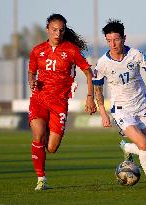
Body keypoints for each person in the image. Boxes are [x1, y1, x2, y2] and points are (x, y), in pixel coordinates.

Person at [92, 19, 146, 192]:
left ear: (124, 38)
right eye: (109, 40)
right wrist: (103, 113)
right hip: (122, 110)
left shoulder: (136, 55)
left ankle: (127, 147)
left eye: (116, 39)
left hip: (142, 107)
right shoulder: (102, 63)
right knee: (143, 144)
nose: (113, 44)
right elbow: (98, 90)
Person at [28, 13, 97, 191]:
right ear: (47, 30)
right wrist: (31, 81)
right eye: (54, 30)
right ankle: (41, 179)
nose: (57, 33)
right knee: (38, 136)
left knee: (51, 148)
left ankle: (49, 130)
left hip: (59, 102)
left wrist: (90, 97)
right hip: (39, 98)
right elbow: (31, 72)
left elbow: (89, 73)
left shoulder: (71, 50)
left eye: (61, 30)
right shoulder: (37, 50)